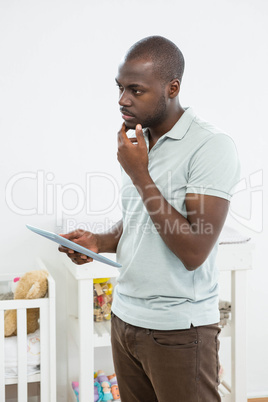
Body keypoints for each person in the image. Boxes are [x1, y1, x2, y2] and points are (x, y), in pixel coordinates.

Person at [59, 36, 240, 402]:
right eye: (120, 88)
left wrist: (140, 175)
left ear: (172, 88)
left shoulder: (211, 146)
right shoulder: (140, 140)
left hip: (178, 331)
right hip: (125, 319)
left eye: (135, 90)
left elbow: (193, 249)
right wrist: (99, 241)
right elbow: (139, 219)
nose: (122, 99)